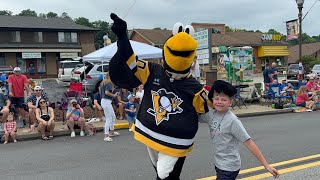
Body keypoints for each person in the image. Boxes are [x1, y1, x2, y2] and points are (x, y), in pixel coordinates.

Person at [109, 14, 208, 179]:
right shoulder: (152, 70)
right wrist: (122, 37)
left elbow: (206, 108)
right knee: (160, 171)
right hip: (150, 132)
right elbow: (130, 61)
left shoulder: (194, 87)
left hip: (176, 141)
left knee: (164, 174)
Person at [199, 80, 279, 179]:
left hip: (229, 167)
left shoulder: (233, 121)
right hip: (218, 163)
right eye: (217, 98)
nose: (219, 102)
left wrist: (266, 165)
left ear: (230, 102)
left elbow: (249, 143)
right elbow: (194, 117)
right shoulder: (211, 115)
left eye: (224, 100)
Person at [100, 73, 119, 142]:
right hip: (106, 101)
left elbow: (102, 92)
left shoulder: (103, 83)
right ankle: (106, 135)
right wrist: (113, 95)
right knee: (109, 118)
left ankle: (112, 132)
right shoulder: (109, 83)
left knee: (113, 117)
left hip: (105, 101)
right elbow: (107, 92)